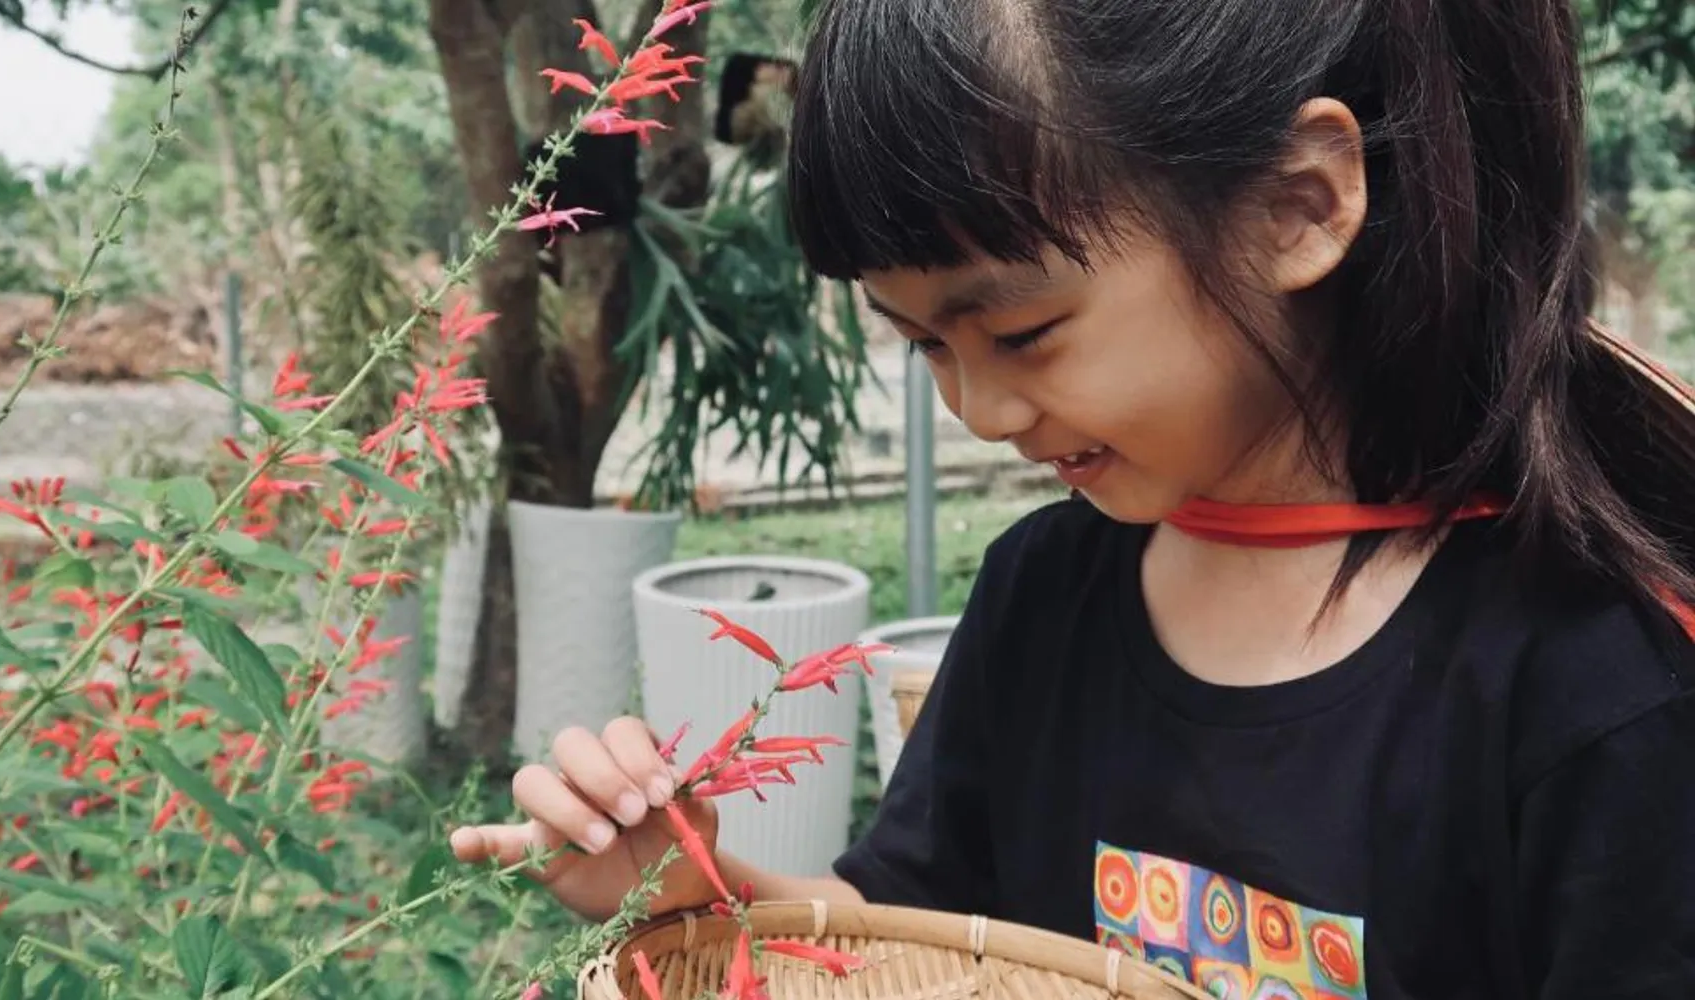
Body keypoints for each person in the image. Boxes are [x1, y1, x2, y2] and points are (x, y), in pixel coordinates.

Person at [450, 0, 1695, 995]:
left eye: (1022, 332)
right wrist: (696, 889)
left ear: (1297, 208)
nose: (980, 410)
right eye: (925, 346)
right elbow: (905, 936)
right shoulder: (1042, 598)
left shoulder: (1593, 690)